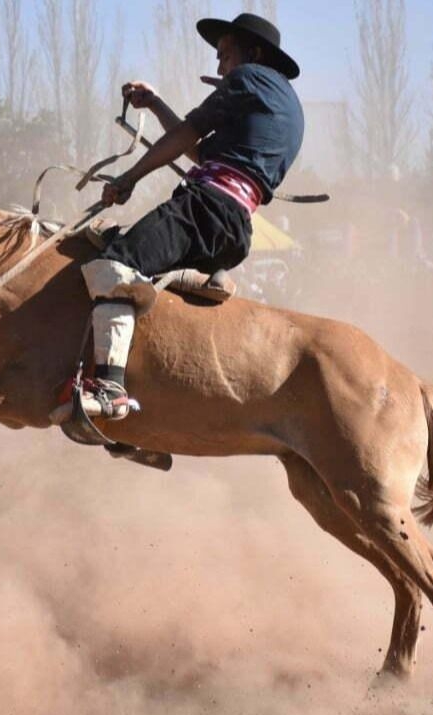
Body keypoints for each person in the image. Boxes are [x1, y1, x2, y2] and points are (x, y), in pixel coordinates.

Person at [60, 12, 305, 420]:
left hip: (205, 209)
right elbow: (199, 150)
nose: (219, 65)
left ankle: (110, 393)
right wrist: (155, 105)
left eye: (225, 55)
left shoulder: (250, 79)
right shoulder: (283, 104)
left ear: (254, 53)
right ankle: (202, 280)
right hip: (234, 227)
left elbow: (187, 135)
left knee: (113, 264)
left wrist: (129, 178)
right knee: (138, 268)